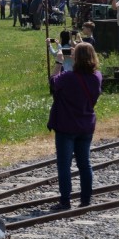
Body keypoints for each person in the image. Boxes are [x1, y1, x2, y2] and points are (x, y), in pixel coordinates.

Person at [47, 42, 102, 210]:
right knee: (84, 162)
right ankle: (86, 199)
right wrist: (80, 49)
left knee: (64, 164)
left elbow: (52, 82)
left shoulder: (68, 77)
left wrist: (59, 62)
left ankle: (65, 201)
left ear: (75, 58)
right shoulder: (97, 76)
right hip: (86, 125)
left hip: (66, 125)